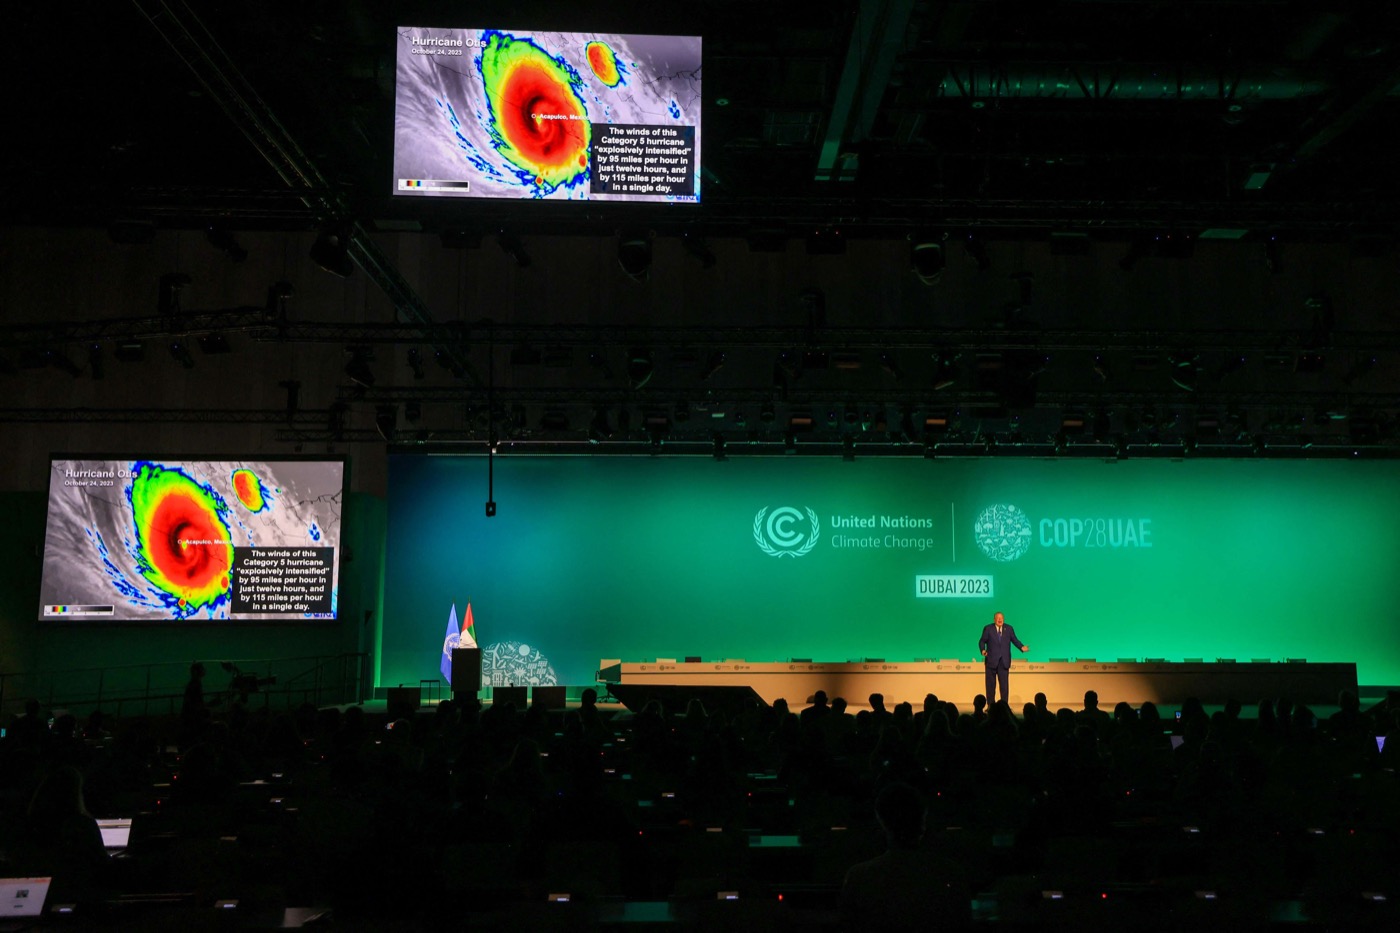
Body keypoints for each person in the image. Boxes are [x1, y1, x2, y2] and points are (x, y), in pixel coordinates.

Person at [978, 611, 1028, 705]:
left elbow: (1015, 640)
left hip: (1004, 662)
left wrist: (1021, 647)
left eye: (1001, 618)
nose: (1000, 619)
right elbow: (981, 641)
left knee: (1004, 687)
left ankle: (1004, 706)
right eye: (998, 618)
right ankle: (991, 707)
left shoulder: (1009, 628)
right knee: (990, 687)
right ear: (994, 619)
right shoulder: (988, 628)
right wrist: (983, 650)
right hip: (991, 662)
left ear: (1003, 619)